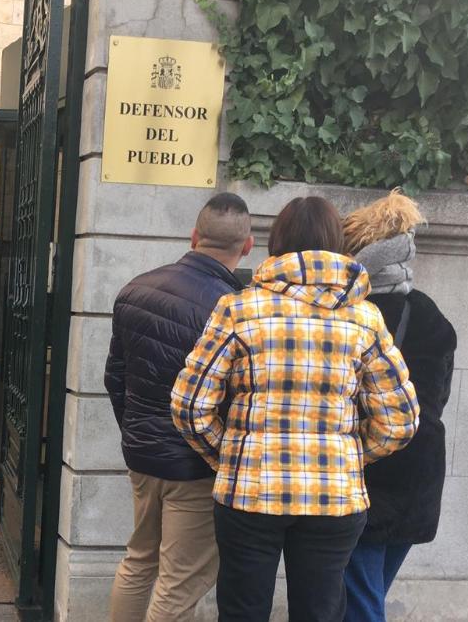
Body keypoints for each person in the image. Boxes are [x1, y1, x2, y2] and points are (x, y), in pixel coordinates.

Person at [172, 195, 419, 622]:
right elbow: (400, 420)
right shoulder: (364, 318)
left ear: (275, 243)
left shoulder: (239, 309)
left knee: (242, 612)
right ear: (337, 245)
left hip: (250, 490)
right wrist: (349, 455)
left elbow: (189, 405)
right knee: (320, 613)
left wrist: (229, 454)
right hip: (335, 498)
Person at [105, 192, 255, 621]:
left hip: (142, 455)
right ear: (247, 246)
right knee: (179, 582)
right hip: (196, 465)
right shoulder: (234, 309)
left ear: (194, 236)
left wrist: (136, 432)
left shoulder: (136, 288)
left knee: (138, 560)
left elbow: (115, 377)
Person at [340, 191, 457, 622]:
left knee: (361, 602)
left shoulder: (352, 313)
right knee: (367, 593)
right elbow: (436, 397)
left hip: (371, 472)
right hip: (421, 471)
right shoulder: (428, 312)